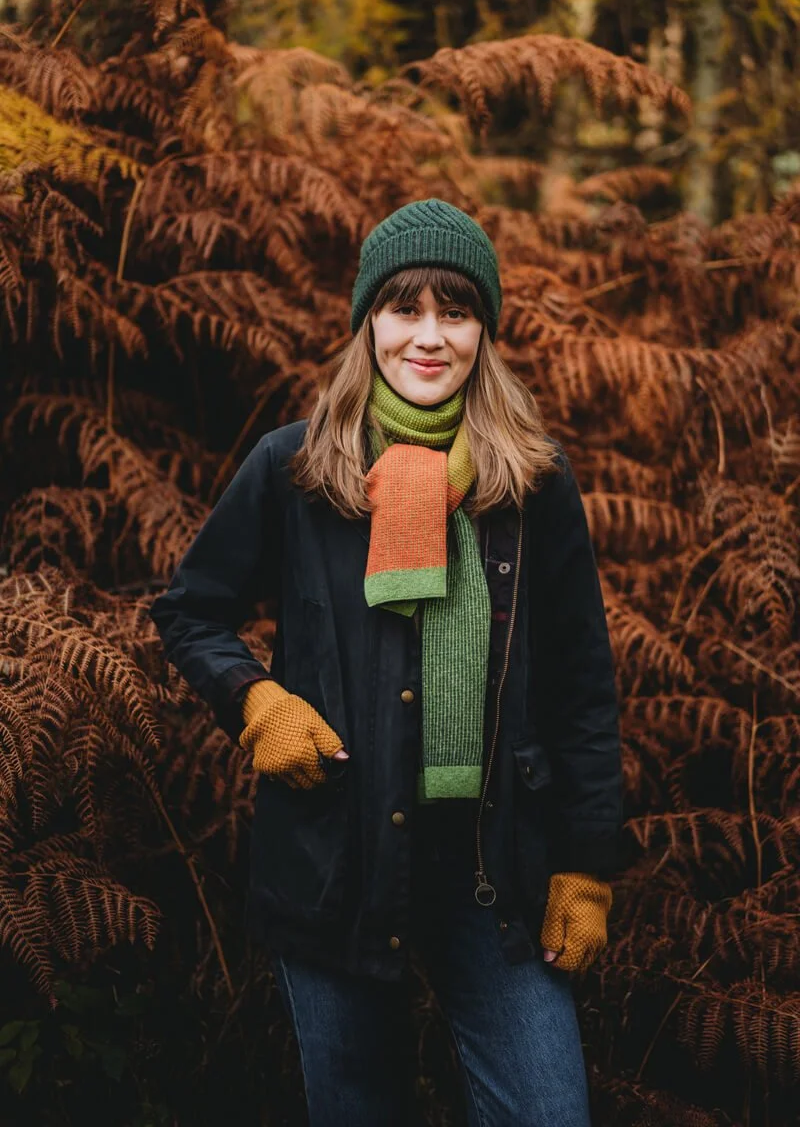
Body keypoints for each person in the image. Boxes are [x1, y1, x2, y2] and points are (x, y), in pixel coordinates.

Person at [149, 198, 624, 1126]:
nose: (430, 337)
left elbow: (581, 690)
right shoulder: (294, 469)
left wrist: (587, 866)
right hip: (338, 865)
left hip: (498, 880)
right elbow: (191, 610)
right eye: (406, 309)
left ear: (485, 329)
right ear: (368, 320)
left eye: (456, 311)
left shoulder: (535, 483)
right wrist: (257, 703)